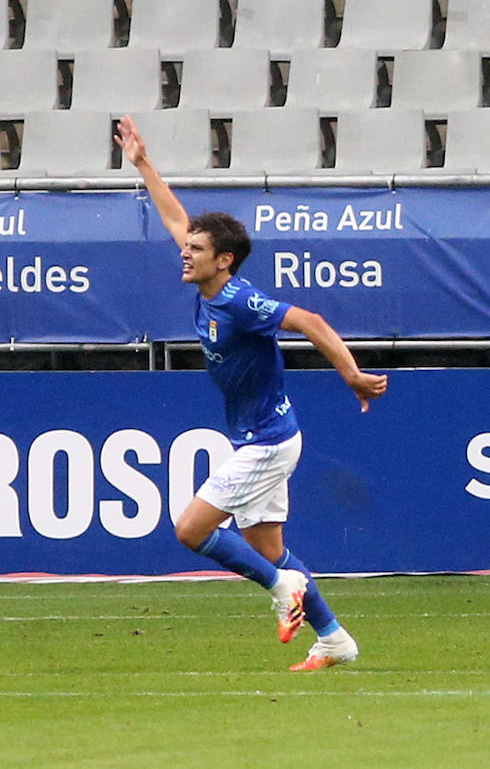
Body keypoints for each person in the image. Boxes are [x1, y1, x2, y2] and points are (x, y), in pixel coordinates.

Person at [116, 115, 388, 672]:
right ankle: (334, 638)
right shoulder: (206, 280)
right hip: (263, 435)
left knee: (191, 530)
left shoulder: (241, 302)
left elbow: (310, 320)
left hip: (265, 442)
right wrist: (143, 163)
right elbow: (172, 214)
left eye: (196, 248)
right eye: (186, 246)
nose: (184, 253)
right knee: (270, 549)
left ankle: (279, 588)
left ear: (225, 260)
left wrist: (353, 375)